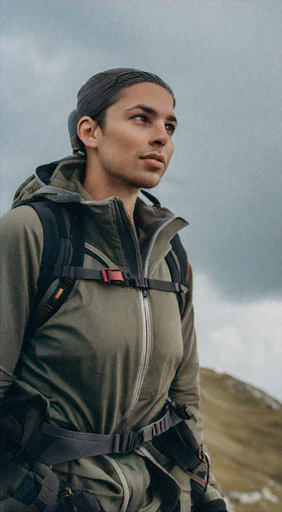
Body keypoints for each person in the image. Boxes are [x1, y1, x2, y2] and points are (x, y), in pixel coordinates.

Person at [0, 68, 227, 512]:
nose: (161, 136)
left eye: (170, 125)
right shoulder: (28, 234)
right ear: (90, 131)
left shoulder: (170, 254)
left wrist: (206, 491)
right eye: (142, 118)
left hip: (152, 498)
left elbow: (184, 399)